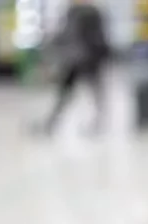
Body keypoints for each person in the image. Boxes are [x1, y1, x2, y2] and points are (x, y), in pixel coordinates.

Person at [43, 0, 111, 135]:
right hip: (84, 59)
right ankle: (96, 124)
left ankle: (53, 123)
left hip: (80, 59)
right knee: (93, 94)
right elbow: (99, 37)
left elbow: (68, 33)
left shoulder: (83, 12)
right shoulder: (81, 11)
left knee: (81, 93)